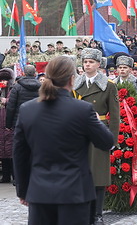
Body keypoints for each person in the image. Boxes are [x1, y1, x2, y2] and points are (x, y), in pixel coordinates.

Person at [13, 56, 114, 225]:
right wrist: (97, 121)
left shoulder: (27, 110)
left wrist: (23, 191)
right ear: (72, 79)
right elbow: (106, 142)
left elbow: (19, 154)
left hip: (40, 191)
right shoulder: (83, 110)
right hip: (74, 192)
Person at [73, 49, 119, 224]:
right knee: (81, 175)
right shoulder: (76, 83)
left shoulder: (108, 85)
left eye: (91, 62)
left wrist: (112, 139)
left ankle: (98, 214)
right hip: (79, 133)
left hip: (99, 131)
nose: (87, 65)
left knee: (99, 176)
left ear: (99, 64)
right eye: (85, 62)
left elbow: (115, 115)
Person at [6, 65, 41, 130]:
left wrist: (8, 124)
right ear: (35, 74)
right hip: (36, 120)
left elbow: (11, 107)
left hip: (19, 120)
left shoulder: (17, 87)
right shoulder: (41, 87)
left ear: (23, 73)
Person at [0, 68, 14, 183]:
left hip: (10, 124)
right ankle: (5, 176)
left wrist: (6, 101)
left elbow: (15, 102)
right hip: (1, 125)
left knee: (12, 152)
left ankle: (15, 176)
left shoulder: (13, 89)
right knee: (3, 152)